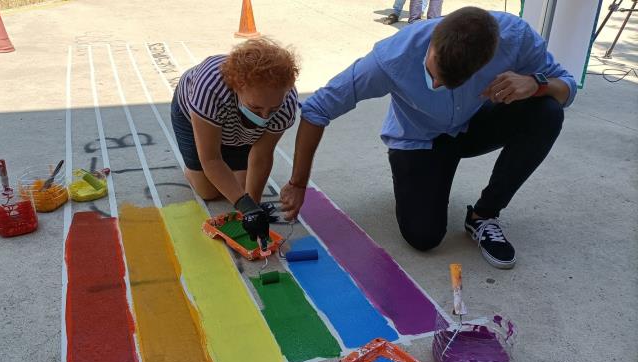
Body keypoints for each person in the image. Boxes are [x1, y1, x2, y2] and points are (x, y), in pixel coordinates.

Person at [281, 7, 575, 269]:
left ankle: (484, 215)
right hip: (419, 139)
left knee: (547, 112)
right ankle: (423, 176)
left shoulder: (516, 38)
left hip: (474, 125)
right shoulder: (393, 56)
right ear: (433, 38)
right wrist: (298, 183)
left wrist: (536, 84)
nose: (434, 85)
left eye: (446, 83)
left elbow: (567, 88)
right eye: (431, 73)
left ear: (486, 63)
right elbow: (317, 109)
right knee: (424, 237)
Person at [172, 38, 299, 247]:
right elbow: (212, 158)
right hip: (193, 116)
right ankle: (191, 170)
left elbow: (262, 153)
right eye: (256, 108)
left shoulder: (286, 103)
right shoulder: (210, 87)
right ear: (237, 87)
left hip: (238, 131)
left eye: (272, 109)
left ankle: (231, 154)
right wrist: (246, 207)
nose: (265, 116)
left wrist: (253, 207)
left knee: (240, 188)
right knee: (209, 191)